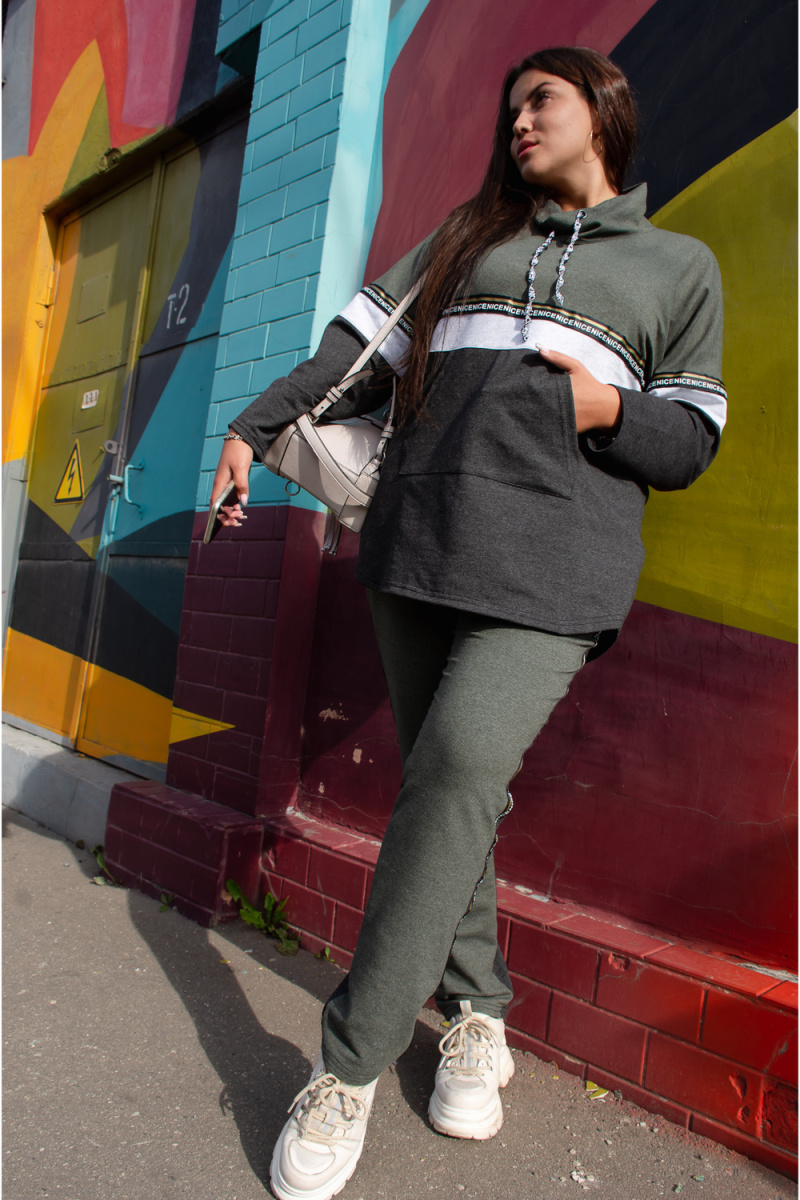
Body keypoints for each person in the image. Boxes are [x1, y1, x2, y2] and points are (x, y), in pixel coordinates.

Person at [211, 46, 726, 1200]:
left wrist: (605, 404)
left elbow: (690, 437)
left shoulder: (674, 267)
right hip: (416, 547)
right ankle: (480, 1011)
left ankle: (345, 1067)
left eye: (539, 100)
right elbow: (352, 359)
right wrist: (250, 427)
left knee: (450, 772)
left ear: (601, 108)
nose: (517, 121)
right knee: (451, 794)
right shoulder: (465, 237)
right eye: (508, 109)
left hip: (555, 572)